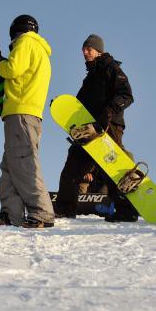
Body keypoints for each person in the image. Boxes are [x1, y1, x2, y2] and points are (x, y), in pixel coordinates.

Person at [53, 34, 137, 221]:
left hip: (110, 125)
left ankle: (126, 210)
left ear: (98, 50)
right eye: (83, 49)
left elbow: (127, 95)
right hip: (88, 128)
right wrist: (63, 109)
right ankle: (65, 208)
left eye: (88, 49)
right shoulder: (90, 77)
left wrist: (109, 111)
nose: (84, 52)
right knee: (73, 165)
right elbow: (79, 104)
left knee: (113, 166)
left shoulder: (111, 68)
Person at [0, 15, 56, 228]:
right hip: (25, 113)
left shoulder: (26, 43)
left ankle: (42, 212)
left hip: (22, 112)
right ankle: (11, 212)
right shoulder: (40, 51)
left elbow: (12, 69)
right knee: (10, 164)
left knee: (24, 163)